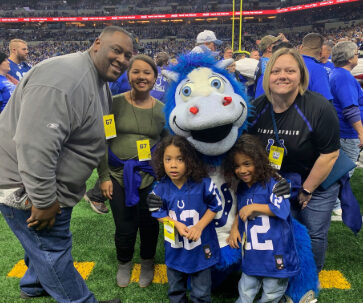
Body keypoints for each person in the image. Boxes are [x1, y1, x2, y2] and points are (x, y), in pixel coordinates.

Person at [0, 25, 133, 303]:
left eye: (127, 55)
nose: (122, 59)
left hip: (47, 185)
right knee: (53, 250)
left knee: (41, 243)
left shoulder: (97, 82)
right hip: (25, 187)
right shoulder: (64, 77)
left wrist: (103, 174)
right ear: (97, 44)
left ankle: (34, 283)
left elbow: (99, 136)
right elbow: (34, 144)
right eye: (117, 50)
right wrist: (45, 200)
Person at [249, 47, 340, 272]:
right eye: (276, 71)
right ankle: (286, 276)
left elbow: (330, 154)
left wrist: (307, 190)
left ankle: (310, 280)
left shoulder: (319, 107)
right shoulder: (258, 107)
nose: (282, 76)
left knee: (313, 233)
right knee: (283, 229)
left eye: (290, 71)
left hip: (317, 182)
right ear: (267, 75)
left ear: (301, 75)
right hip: (279, 182)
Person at [98, 54, 166, 288]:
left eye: (147, 73)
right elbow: (103, 142)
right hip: (118, 176)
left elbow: (168, 146)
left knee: (149, 223)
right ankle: (124, 263)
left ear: (155, 78)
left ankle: (147, 262)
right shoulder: (114, 104)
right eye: (136, 72)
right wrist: (104, 176)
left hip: (151, 177)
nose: (141, 77)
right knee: (124, 225)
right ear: (128, 75)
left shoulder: (162, 110)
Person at [224, 134, 300, 303]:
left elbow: (281, 209)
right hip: (253, 253)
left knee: (272, 292)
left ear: (258, 161)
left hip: (275, 253)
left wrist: (253, 207)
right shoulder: (243, 187)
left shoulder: (275, 182)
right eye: (237, 166)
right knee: (245, 289)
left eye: (247, 164)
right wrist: (236, 227)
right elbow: (241, 210)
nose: (242, 170)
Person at [149, 135, 222, 303]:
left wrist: (199, 227)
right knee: (175, 291)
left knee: (202, 294)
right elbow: (155, 210)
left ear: (190, 160)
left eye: (179, 159)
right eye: (168, 159)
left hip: (201, 249)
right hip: (175, 250)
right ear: (162, 161)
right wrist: (174, 223)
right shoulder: (160, 187)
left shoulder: (204, 183)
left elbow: (215, 206)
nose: (173, 165)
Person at [329, 41, 363, 216]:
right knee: (344, 170)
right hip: (347, 132)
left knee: (339, 167)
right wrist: (361, 132)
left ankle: (334, 200)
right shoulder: (344, 76)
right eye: (356, 53)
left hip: (341, 130)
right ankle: (334, 203)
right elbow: (350, 108)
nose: (357, 56)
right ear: (350, 58)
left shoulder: (337, 73)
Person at [299, 33, 333, 101]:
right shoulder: (317, 70)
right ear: (320, 51)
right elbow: (325, 101)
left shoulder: (288, 64)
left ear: (301, 47)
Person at [254, 34, 285, 99]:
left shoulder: (266, 62)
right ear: (269, 48)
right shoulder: (266, 66)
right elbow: (262, 94)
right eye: (276, 44)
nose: (279, 46)